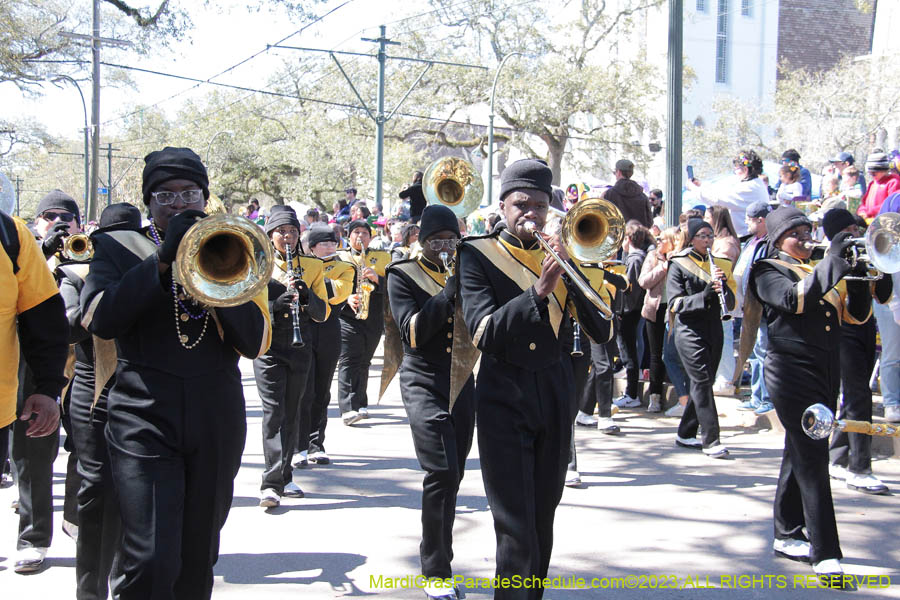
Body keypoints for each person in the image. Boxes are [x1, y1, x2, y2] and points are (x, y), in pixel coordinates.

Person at [81, 146, 272, 599]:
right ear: (148, 203)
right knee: (149, 557)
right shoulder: (115, 247)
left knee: (198, 555)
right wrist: (163, 261)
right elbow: (101, 320)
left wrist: (214, 276)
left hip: (215, 416)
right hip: (142, 416)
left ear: (205, 198)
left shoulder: (235, 245)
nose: (179, 204)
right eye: (164, 196)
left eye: (189, 193)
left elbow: (253, 340)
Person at [457, 159, 611, 598]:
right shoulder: (477, 253)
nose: (531, 213)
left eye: (540, 206)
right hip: (504, 393)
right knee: (515, 523)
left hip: (557, 389)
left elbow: (604, 328)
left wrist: (576, 270)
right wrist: (538, 292)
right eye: (521, 203)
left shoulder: (565, 254)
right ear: (503, 205)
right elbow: (483, 331)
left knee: (545, 513)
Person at [749, 207, 870, 587]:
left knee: (799, 450)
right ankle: (826, 553)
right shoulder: (767, 269)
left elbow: (858, 315)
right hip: (790, 372)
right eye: (795, 233)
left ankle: (787, 533)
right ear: (777, 238)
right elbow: (796, 299)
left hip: (826, 369)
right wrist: (834, 258)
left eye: (807, 231)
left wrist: (863, 274)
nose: (804, 238)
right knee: (813, 454)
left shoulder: (822, 266)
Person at [386, 205, 475, 600]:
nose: (445, 247)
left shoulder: (471, 269)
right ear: (422, 241)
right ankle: (436, 570)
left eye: (451, 240)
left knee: (453, 476)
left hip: (462, 380)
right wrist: (448, 292)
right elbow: (414, 332)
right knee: (440, 472)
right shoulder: (402, 274)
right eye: (437, 240)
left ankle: (442, 555)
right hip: (422, 378)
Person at [60, 202, 141, 596]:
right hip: (92, 388)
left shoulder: (149, 271)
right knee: (96, 489)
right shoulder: (76, 275)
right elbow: (69, 327)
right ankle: (91, 589)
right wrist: (104, 293)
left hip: (140, 389)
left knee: (137, 488)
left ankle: (125, 576)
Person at [0, 204, 68, 574]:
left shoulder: (10, 236)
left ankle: (33, 538)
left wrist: (46, 388)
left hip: (8, 392)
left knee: (32, 461)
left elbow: (43, 316)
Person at [254, 206, 329, 508]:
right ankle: (271, 482)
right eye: (281, 231)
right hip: (268, 344)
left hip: (301, 344)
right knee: (274, 412)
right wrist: (276, 305)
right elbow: (248, 307)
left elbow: (323, 313)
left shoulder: (312, 266)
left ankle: (286, 475)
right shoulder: (258, 264)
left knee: (293, 409)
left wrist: (307, 297)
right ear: (270, 234)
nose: (287, 237)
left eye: (292, 231)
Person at [818, 209, 892, 495]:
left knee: (855, 395)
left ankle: (838, 457)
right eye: (849, 229)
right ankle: (860, 468)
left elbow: (883, 296)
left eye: (856, 228)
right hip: (839, 330)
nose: (856, 233)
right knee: (860, 395)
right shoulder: (828, 257)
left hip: (864, 328)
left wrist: (882, 263)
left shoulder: (864, 255)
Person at [667, 218, 735, 458]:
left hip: (714, 328)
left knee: (701, 382)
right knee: (704, 381)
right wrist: (705, 295)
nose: (707, 241)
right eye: (702, 236)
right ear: (692, 238)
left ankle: (685, 433)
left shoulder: (721, 264)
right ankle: (711, 439)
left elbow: (733, 302)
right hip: (688, 331)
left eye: (710, 236)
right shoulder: (678, 264)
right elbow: (675, 303)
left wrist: (724, 289)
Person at [298, 225, 355, 466]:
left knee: (321, 389)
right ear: (311, 247)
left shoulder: (345, 267)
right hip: (303, 328)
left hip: (329, 328)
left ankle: (315, 443)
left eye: (333, 242)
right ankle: (297, 445)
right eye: (324, 243)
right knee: (303, 390)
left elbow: (336, 293)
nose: (330, 247)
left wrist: (311, 284)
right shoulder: (301, 263)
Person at [336, 220, 391, 425]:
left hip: (373, 317)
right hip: (347, 318)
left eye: (365, 233)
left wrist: (378, 279)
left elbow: (395, 286)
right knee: (349, 360)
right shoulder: (340, 257)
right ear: (348, 236)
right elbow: (329, 286)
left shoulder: (383, 257)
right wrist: (345, 298)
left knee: (364, 361)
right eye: (356, 232)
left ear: (371, 236)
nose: (361, 236)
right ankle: (348, 408)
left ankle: (360, 402)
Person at [733, 201, 774, 414]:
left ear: (761, 220)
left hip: (763, 307)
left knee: (764, 351)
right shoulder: (752, 241)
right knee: (754, 352)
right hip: (749, 307)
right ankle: (757, 395)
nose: (746, 223)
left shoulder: (771, 242)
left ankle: (766, 397)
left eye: (749, 219)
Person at [638, 226, 680, 413]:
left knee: (672, 352)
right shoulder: (653, 256)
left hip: (674, 310)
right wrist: (663, 268)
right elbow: (643, 281)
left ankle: (681, 395)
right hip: (654, 309)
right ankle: (654, 397)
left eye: (662, 239)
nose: (658, 242)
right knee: (655, 353)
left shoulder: (680, 258)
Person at [612, 221, 651, 410]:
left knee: (629, 353)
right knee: (629, 352)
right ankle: (630, 392)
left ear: (628, 239)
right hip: (629, 311)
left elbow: (631, 289)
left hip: (629, 312)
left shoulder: (635, 259)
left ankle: (631, 393)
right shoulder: (635, 257)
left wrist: (622, 310)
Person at [686, 150, 769, 237]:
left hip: (747, 236)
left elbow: (716, 199)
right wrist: (701, 186)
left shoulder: (749, 188)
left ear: (745, 169)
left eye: (736, 169)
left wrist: (693, 188)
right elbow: (722, 191)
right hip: (747, 235)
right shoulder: (755, 184)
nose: (735, 173)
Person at [705, 206, 741, 395]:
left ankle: (726, 379)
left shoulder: (726, 243)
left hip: (725, 294)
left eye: (708, 217)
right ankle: (721, 376)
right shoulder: (720, 241)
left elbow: (723, 268)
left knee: (725, 337)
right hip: (717, 293)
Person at [601, 159, 652, 227]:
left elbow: (602, 219)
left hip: (617, 236)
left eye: (614, 172)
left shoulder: (608, 194)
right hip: (638, 236)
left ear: (618, 172)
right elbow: (649, 222)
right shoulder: (643, 196)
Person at [857, 152, 900, 219]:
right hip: (869, 220)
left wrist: (869, 212)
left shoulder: (893, 182)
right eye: (870, 173)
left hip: (884, 220)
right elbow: (864, 202)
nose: (872, 174)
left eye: (874, 173)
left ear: (884, 170)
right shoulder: (872, 183)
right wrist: (862, 211)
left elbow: (891, 205)